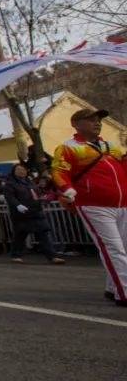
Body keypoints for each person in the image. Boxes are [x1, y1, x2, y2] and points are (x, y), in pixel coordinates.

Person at [51, 108, 127, 306]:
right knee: (114, 249)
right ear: (76, 124)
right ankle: (124, 292)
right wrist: (67, 190)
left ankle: (112, 288)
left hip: (122, 204)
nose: (97, 123)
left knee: (123, 249)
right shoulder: (68, 147)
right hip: (94, 205)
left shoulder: (111, 147)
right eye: (91, 119)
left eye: (99, 120)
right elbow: (59, 171)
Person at [2, 164, 65, 265]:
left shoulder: (30, 182)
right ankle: (16, 255)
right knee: (20, 235)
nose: (21, 171)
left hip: (35, 211)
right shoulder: (10, 184)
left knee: (43, 233)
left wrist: (44, 198)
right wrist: (18, 205)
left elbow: (38, 193)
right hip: (21, 214)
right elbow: (9, 197)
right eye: (18, 169)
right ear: (14, 171)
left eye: (23, 169)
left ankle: (52, 256)